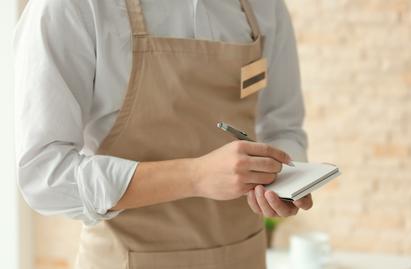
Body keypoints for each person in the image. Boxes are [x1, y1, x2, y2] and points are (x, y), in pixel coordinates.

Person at [14, 0, 312, 268]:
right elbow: (44, 175)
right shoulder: (70, 7)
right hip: (126, 259)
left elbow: (283, 127)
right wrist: (195, 176)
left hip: (243, 256)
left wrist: (285, 181)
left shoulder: (265, 6)